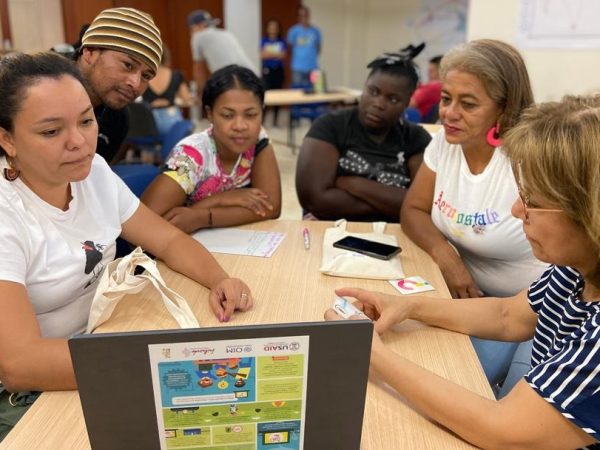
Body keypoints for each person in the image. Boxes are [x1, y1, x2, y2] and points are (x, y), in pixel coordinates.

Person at [0, 53, 253, 440]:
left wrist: (220, 279)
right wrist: (159, 364)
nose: (78, 142)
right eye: (51, 131)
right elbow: (20, 364)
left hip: (95, 347)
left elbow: (167, 239)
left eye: (86, 121)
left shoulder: (93, 173)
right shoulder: (7, 214)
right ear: (7, 139)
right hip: (29, 393)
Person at [326, 95, 600, 449]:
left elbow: (503, 431)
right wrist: (408, 306)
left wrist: (370, 354)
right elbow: (508, 315)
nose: (517, 211)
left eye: (533, 200)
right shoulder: (575, 269)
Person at [400, 39, 547, 395]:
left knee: (504, 403)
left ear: (504, 109)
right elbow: (412, 210)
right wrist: (445, 255)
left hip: (536, 310)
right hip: (473, 302)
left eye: (468, 104)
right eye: (446, 98)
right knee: (436, 383)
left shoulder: (529, 160)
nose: (449, 114)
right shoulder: (443, 144)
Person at [295, 48, 432, 222]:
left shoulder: (416, 138)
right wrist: (393, 205)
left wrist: (355, 184)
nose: (378, 104)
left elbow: (423, 204)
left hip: (391, 234)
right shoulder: (330, 125)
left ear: (407, 103)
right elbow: (315, 200)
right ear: (364, 87)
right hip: (331, 231)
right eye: (373, 92)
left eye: (393, 99)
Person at [141, 65, 281, 234]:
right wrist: (223, 200)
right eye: (228, 115)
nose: (240, 126)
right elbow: (144, 224)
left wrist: (203, 216)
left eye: (251, 115)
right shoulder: (190, 157)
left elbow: (271, 207)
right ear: (209, 113)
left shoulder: (257, 138)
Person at [74, 7, 163, 164]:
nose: (135, 84)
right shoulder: (39, 92)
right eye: (128, 65)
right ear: (90, 52)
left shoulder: (117, 119)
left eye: (146, 76)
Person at [187, 9, 256, 98]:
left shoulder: (198, 37)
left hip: (234, 81)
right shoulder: (226, 34)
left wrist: (199, 95)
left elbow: (199, 69)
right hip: (253, 77)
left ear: (198, 26)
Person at [142, 44, 194, 135]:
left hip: (148, 123)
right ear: (166, 57)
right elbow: (187, 101)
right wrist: (174, 102)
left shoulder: (143, 75)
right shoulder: (176, 75)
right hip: (171, 120)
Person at [260, 18, 287, 127]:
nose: (273, 29)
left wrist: (269, 54)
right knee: (265, 96)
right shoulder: (264, 41)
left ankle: (276, 121)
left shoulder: (282, 41)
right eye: (271, 27)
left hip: (278, 71)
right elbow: (262, 55)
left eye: (275, 27)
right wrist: (276, 54)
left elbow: (283, 55)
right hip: (267, 71)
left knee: (278, 96)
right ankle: (263, 121)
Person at [286, 5, 322, 86]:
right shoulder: (293, 31)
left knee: (315, 89)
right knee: (298, 90)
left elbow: (319, 48)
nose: (303, 17)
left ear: (309, 16)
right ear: (298, 17)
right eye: (301, 15)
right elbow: (289, 48)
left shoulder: (316, 31)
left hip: (313, 67)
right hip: (297, 68)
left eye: (305, 15)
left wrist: (310, 57)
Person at [409, 54, 443, 122]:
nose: (428, 74)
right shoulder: (443, 86)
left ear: (440, 72)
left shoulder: (433, 86)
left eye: (431, 71)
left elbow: (409, 103)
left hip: (417, 120)